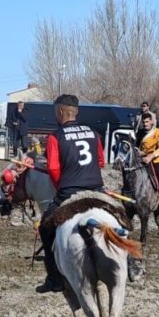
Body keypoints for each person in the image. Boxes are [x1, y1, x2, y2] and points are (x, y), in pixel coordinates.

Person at [36, 94, 106, 294]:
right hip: (96, 188)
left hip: (69, 191)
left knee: (45, 227)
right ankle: (132, 262)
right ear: (76, 112)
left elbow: (54, 169)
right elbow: (101, 162)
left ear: (59, 112)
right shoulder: (93, 133)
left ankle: (54, 279)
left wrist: (61, 187)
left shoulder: (54, 137)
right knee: (121, 216)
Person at [137, 113, 159, 203]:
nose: (145, 124)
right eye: (143, 122)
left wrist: (151, 156)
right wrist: (140, 153)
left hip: (156, 160)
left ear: (151, 122)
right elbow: (137, 147)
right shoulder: (140, 133)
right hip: (142, 160)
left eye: (147, 122)